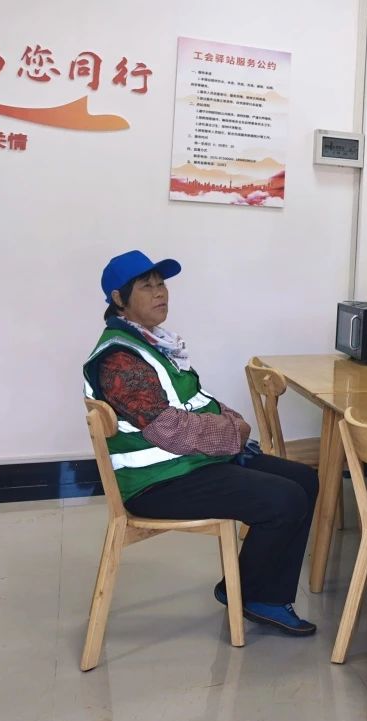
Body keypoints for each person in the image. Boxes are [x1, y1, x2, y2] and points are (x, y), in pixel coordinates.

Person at [82, 250, 319, 636]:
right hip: (155, 484)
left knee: (304, 480)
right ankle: (256, 595)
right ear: (119, 299)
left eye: (162, 284)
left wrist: (233, 423)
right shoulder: (119, 360)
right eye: (147, 287)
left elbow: (194, 400)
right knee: (285, 498)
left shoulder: (154, 344)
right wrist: (233, 434)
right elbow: (168, 429)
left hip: (187, 465)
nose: (160, 293)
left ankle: (252, 588)